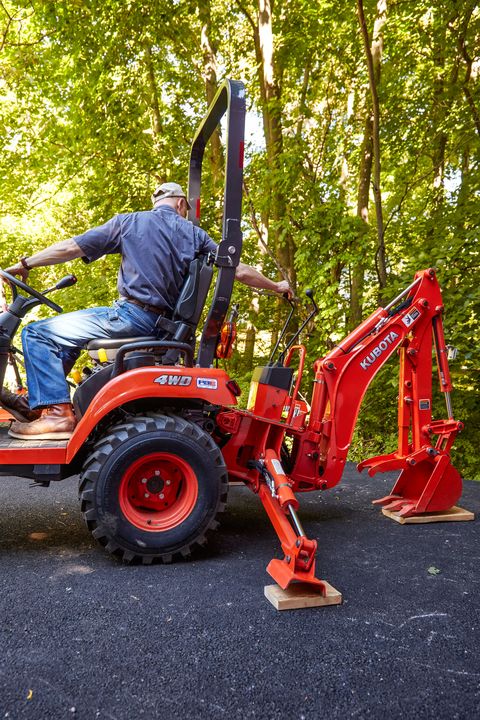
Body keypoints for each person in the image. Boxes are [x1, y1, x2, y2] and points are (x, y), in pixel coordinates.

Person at [1, 181, 292, 441]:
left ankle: (58, 416)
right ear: (181, 204)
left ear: (157, 203)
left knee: (37, 333)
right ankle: (49, 406)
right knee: (66, 339)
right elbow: (238, 270)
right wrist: (277, 285)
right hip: (162, 326)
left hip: (130, 317)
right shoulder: (195, 235)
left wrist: (26, 264)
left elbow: (71, 248)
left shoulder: (129, 223)